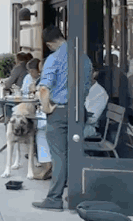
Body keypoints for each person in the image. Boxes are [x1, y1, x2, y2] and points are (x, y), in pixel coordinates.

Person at [32, 26, 91, 211]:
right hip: (78, 111)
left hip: (59, 112)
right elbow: (87, 86)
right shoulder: (84, 58)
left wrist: (47, 108)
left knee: (59, 156)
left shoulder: (54, 58)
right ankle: (75, 196)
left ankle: (54, 198)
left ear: (49, 44)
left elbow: (44, 89)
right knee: (75, 154)